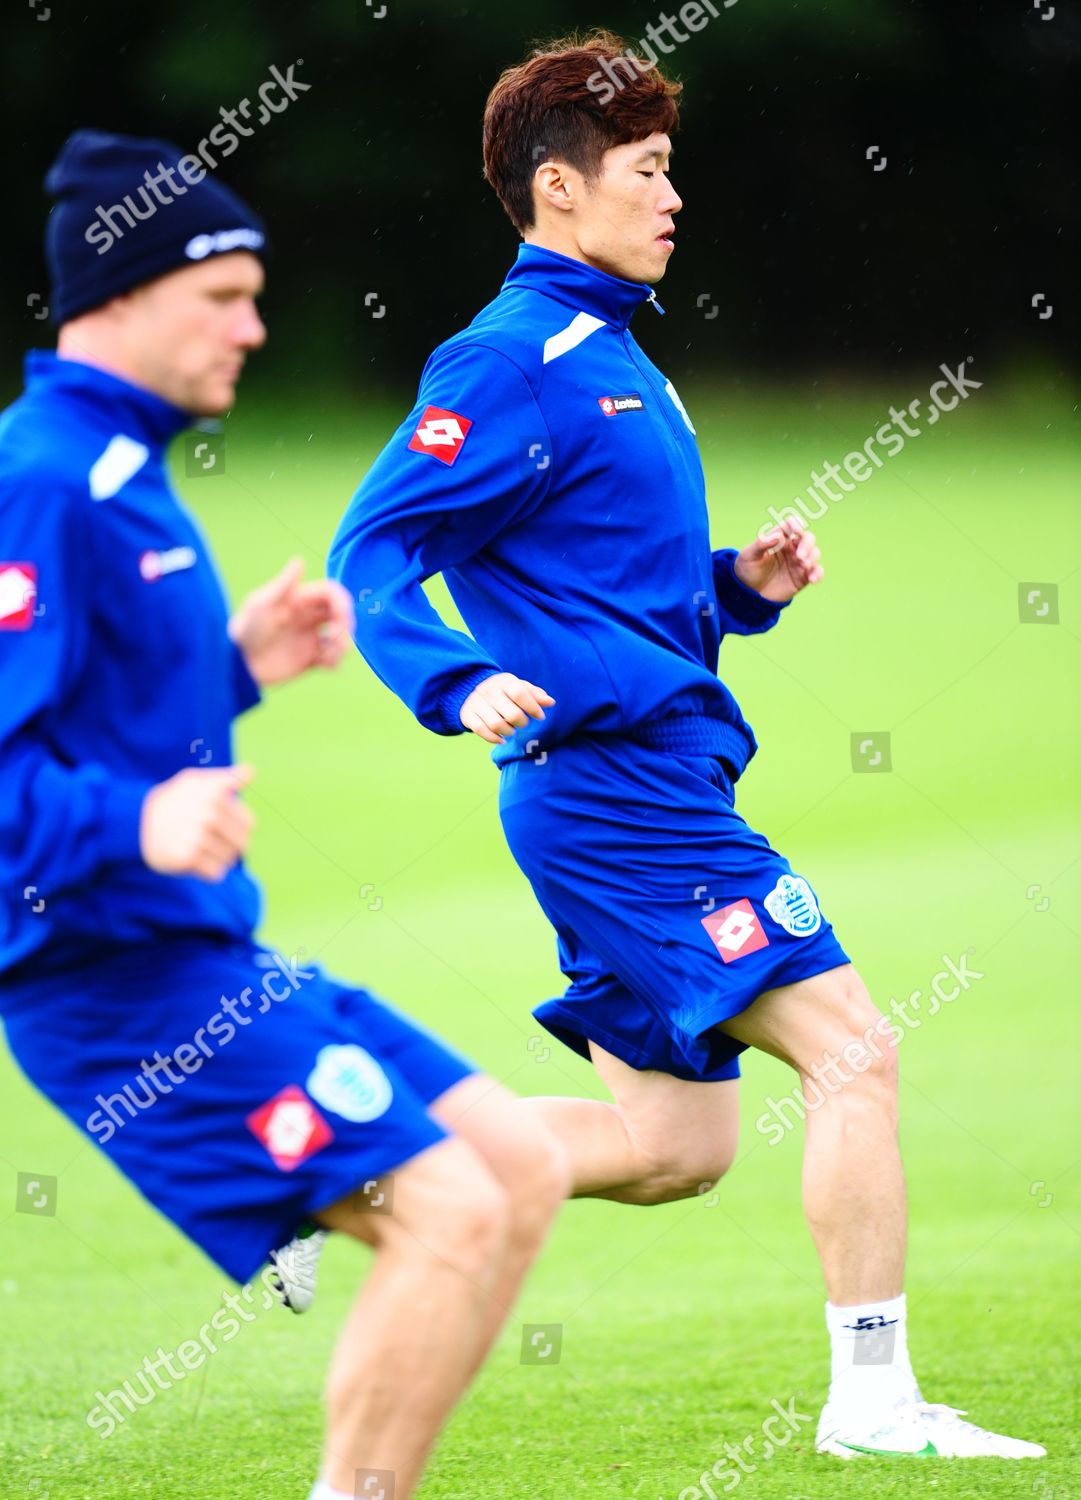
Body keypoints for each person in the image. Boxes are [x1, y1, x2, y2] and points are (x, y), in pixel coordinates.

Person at [327, 31, 1045, 1461]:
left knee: (673, 1154)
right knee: (853, 1053)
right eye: (646, 173)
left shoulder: (613, 356)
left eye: (672, 170)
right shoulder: (510, 359)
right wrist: (453, 681)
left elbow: (605, 591)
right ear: (557, 190)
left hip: (645, 770)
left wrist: (735, 590)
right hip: (615, 792)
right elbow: (370, 555)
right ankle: (871, 1400)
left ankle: (323, 1161)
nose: (672, 200)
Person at [0, 129, 567, 1500]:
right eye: (224, 297)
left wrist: (237, 669)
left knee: (519, 1170)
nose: (255, 328)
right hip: (109, 984)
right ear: (119, 292)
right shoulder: (42, 479)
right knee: (445, 1214)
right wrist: (134, 831)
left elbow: (101, 720)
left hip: (205, 956)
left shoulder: (125, 466)